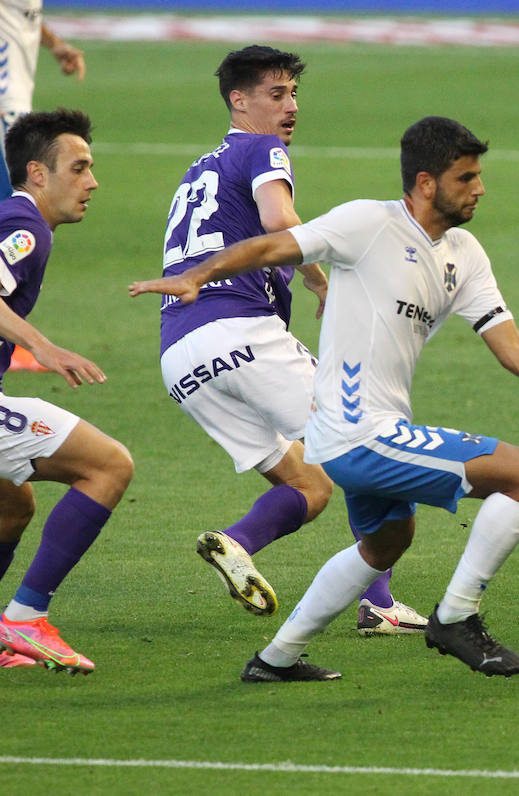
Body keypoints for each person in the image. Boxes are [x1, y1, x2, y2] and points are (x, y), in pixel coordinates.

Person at [130, 115, 519, 682]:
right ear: (427, 182)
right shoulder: (368, 223)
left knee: (387, 541)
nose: (480, 188)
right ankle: (456, 618)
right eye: (466, 177)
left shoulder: (465, 254)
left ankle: (274, 660)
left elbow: (514, 348)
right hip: (357, 433)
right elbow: (274, 244)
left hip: (375, 430)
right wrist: (199, 275)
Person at [157, 45, 425, 635]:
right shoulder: (262, 148)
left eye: (294, 93)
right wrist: (326, 276)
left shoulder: (198, 168)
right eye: (276, 94)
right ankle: (378, 603)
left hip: (181, 357)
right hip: (241, 331)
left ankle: (236, 541)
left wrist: (309, 285)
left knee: (312, 481)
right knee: (360, 440)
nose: (291, 106)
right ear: (239, 100)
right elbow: (279, 222)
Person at [0, 109, 133, 674]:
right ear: (37, 172)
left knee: (12, 504)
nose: (92, 181)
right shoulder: (23, 229)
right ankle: (24, 618)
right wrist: (44, 349)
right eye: (78, 168)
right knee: (108, 466)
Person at [0, 2, 86, 195]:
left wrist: (55, 44)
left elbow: (21, 17)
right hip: (5, 108)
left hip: (17, 107)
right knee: (14, 204)